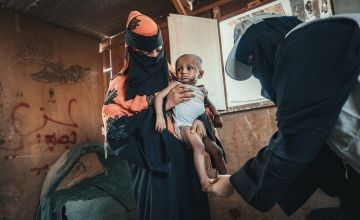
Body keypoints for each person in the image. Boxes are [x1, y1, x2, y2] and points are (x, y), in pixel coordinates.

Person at [207, 13, 360, 219]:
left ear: (260, 41)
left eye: (255, 62)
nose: (262, 80)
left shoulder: (303, 41)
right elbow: (314, 140)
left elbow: (299, 134)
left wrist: (236, 183)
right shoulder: (315, 44)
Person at [102, 11, 212, 220]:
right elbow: (115, 135)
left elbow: (199, 104)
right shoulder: (120, 85)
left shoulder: (174, 74)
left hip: (187, 163)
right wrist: (160, 104)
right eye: (146, 53)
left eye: (158, 50)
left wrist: (201, 121)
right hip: (153, 169)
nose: (154, 56)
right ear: (132, 50)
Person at [154, 54, 228, 191]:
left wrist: (217, 116)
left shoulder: (202, 90)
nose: (183, 72)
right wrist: (160, 116)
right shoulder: (176, 84)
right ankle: (204, 181)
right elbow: (159, 97)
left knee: (217, 151)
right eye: (179, 69)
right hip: (184, 126)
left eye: (189, 68)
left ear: (201, 74)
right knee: (199, 147)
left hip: (201, 127)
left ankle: (225, 179)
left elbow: (209, 104)